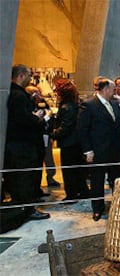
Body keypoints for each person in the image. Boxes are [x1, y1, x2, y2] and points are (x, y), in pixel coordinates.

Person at [3, 64, 50, 220]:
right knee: (24, 180)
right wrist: (37, 116)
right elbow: (24, 120)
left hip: (20, 146)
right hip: (21, 147)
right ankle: (27, 211)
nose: (31, 78)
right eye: (29, 75)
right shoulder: (18, 96)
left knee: (23, 179)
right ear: (21, 76)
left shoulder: (16, 94)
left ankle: (25, 209)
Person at [78, 78, 120, 221]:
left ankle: (118, 206)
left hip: (115, 152)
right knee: (97, 182)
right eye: (113, 89)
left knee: (116, 180)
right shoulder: (89, 105)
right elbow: (82, 130)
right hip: (98, 152)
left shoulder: (115, 104)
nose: (115, 92)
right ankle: (97, 209)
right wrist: (88, 151)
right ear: (105, 90)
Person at [50, 79, 89, 202]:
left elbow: (65, 127)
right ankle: (82, 192)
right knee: (77, 170)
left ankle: (71, 195)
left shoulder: (67, 107)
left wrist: (53, 134)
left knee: (69, 171)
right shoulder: (75, 104)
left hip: (68, 144)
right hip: (76, 143)